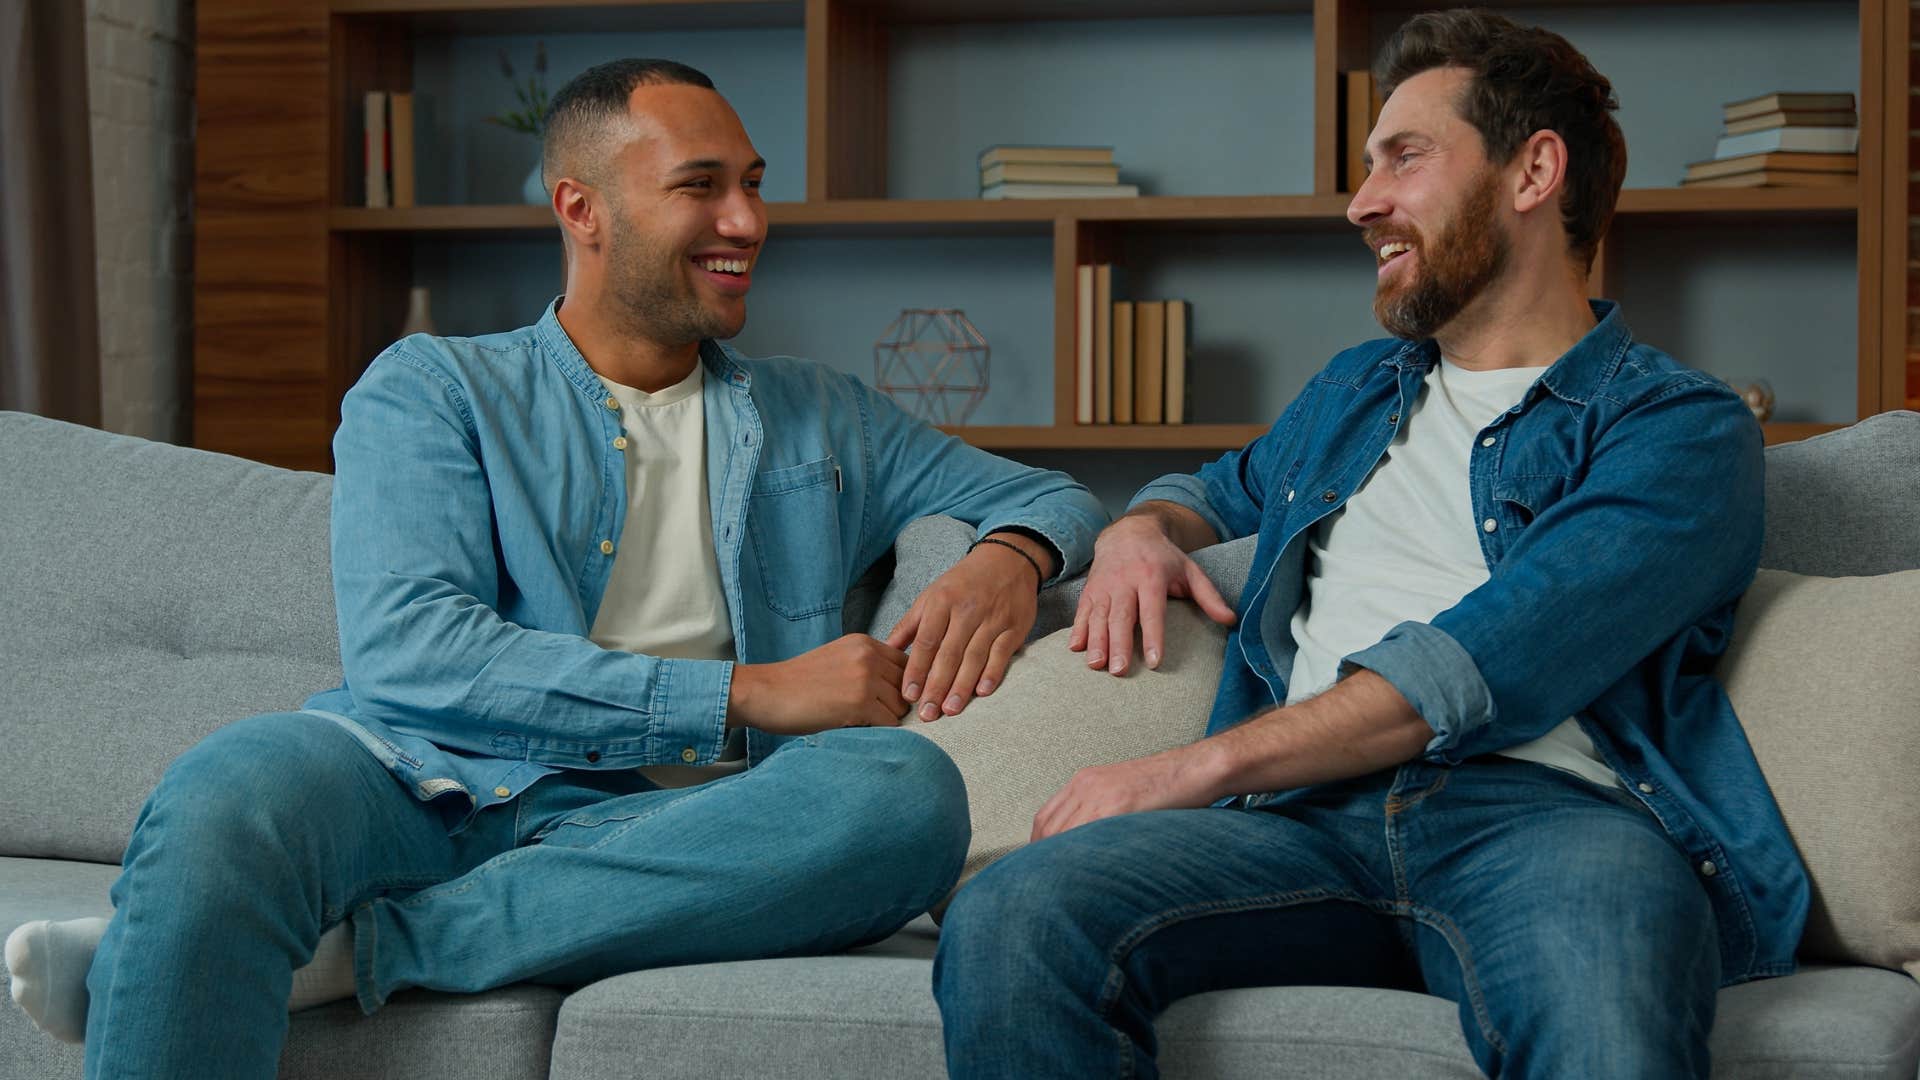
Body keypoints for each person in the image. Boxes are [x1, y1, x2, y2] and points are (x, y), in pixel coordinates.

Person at [4, 58, 1106, 1078]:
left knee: (904, 795)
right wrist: (744, 694)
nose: (748, 222)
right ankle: (255, 933)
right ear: (582, 208)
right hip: (422, 786)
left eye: (756, 186)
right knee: (231, 789)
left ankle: (355, 955)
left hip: (686, 829)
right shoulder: (433, 387)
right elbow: (411, 654)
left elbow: (1050, 495)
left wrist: (1010, 555)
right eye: (702, 187)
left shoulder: (823, 417)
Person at [932, 11, 1807, 1078]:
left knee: (1607, 991)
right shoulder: (1355, 389)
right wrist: (1138, 532)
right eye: (1365, 167)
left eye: (1404, 158)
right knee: (1015, 916)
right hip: (1298, 827)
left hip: (1543, 825)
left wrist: (1193, 767)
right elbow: (1211, 488)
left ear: (1533, 171)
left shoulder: (1677, 428)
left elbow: (1485, 659)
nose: (1362, 202)